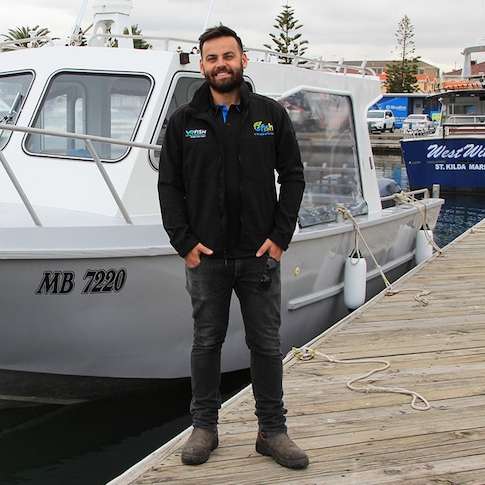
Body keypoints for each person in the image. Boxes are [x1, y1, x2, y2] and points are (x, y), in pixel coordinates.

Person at [157, 25, 308, 469]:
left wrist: (280, 237)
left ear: (243, 60)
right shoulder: (184, 121)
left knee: (266, 343)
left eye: (228, 56)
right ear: (201, 64)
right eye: (211, 58)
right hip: (207, 259)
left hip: (259, 256)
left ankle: (272, 431)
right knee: (207, 342)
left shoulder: (269, 116)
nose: (220, 64)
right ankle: (204, 428)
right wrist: (183, 242)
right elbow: (169, 186)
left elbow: (293, 176)